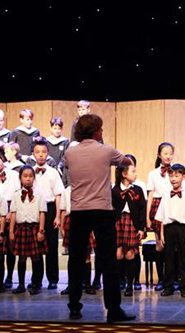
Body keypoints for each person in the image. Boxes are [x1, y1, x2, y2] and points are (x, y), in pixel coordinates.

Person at [65, 113, 135, 322]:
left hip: (78, 211)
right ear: (96, 131)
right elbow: (126, 160)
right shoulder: (105, 150)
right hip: (102, 211)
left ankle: (74, 307)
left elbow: (69, 166)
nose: (102, 132)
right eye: (101, 129)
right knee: (108, 260)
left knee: (76, 259)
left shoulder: (70, 152)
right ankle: (113, 310)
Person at [156, 164, 185, 298]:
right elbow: (161, 217)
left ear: (183, 177)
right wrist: (161, 234)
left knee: (184, 258)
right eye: (171, 176)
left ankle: (184, 287)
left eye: (176, 175)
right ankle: (168, 286)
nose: (173, 179)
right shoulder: (165, 195)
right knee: (168, 258)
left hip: (183, 228)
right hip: (168, 228)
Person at [31, 137, 64, 290]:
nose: (41, 155)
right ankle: (36, 279)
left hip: (50, 209)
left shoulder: (53, 173)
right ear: (33, 154)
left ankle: (53, 279)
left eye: (43, 152)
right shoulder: (28, 172)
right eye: (37, 152)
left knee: (51, 246)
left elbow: (58, 195)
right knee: (36, 247)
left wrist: (58, 216)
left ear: (48, 154)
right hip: (34, 210)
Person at [9, 165, 47, 295]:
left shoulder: (39, 194)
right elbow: (13, 213)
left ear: (34, 178)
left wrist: (41, 230)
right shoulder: (15, 195)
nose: (28, 179)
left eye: (30, 176)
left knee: (36, 257)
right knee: (22, 258)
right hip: (21, 228)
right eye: (25, 176)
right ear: (20, 178)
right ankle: (21, 284)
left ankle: (36, 284)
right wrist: (11, 231)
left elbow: (42, 213)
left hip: (34, 228)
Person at [0, 150, 21, 289]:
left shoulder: (13, 174)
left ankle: (9, 277)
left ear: (3, 159)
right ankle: (0, 278)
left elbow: (18, 193)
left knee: (10, 247)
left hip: (11, 209)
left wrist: (10, 213)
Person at [112, 162, 146, 297]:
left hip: (132, 223)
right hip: (118, 223)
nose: (136, 174)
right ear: (124, 174)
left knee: (130, 253)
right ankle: (120, 281)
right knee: (118, 254)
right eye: (133, 172)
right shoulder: (115, 190)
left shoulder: (137, 190)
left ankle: (130, 285)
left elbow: (142, 209)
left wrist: (141, 228)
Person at [59, 181, 97, 296]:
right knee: (73, 256)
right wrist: (62, 227)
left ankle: (87, 284)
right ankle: (72, 285)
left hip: (86, 219)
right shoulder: (67, 191)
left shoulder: (88, 188)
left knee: (87, 255)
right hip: (71, 221)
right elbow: (63, 210)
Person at [146, 142, 174, 291]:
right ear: (159, 155)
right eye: (165, 153)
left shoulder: (177, 171)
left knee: (172, 246)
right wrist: (147, 218)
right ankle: (161, 279)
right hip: (157, 207)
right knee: (160, 245)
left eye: (170, 153)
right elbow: (150, 196)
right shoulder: (153, 174)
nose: (168, 156)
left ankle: (172, 279)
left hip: (173, 205)